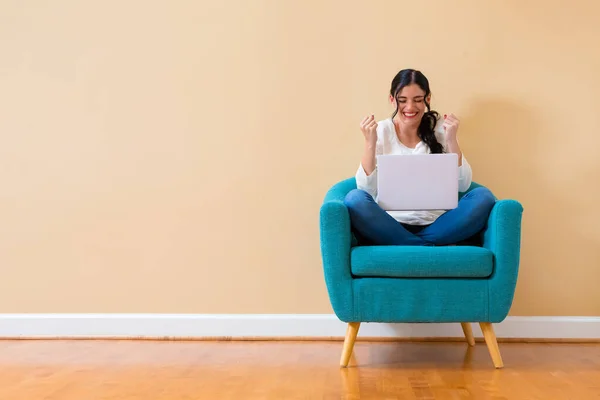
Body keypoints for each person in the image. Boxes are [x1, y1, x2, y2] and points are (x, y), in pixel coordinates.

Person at [344, 69, 495, 246]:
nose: (410, 107)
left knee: (483, 196)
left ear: (427, 99)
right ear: (392, 100)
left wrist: (451, 139)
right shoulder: (381, 131)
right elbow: (366, 190)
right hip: (390, 224)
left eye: (417, 100)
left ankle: (410, 244)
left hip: (439, 224)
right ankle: (425, 245)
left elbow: (463, 184)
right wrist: (370, 142)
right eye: (402, 100)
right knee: (354, 199)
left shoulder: (440, 130)